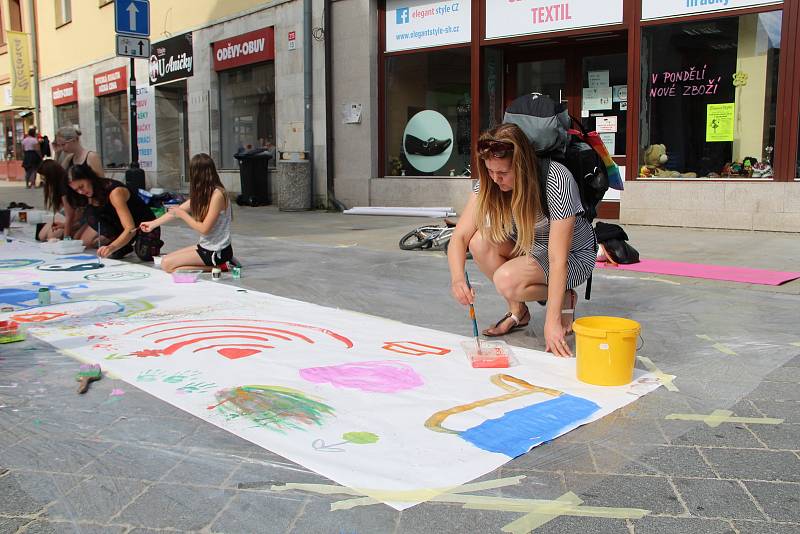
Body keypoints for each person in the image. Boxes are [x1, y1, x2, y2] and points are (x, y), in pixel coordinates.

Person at [448, 123, 596, 358]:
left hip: (574, 256)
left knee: (507, 281)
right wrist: (457, 279)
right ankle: (519, 312)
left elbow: (558, 259)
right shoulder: (490, 183)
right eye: (489, 171)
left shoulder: (556, 180)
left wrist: (552, 321)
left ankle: (565, 295)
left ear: (521, 165)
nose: (495, 179)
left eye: (503, 173)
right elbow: (460, 237)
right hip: (531, 248)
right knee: (479, 241)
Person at [140, 153, 233, 273]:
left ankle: (219, 266)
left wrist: (182, 215)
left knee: (168, 265)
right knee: (165, 260)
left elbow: (204, 229)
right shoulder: (204, 193)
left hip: (216, 251)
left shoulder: (218, 195)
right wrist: (153, 224)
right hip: (205, 246)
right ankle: (217, 265)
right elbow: (175, 211)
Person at [67, 164, 161, 260]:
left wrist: (112, 247)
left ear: (89, 178)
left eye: (81, 186)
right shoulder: (88, 197)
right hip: (121, 226)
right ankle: (124, 245)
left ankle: (145, 243)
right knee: (90, 213)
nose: (81, 192)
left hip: (145, 225)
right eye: (76, 190)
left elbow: (130, 228)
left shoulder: (115, 192)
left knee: (145, 254)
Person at [35, 160, 91, 244]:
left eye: (44, 177)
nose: (43, 180)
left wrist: (66, 238)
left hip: (80, 216)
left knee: (51, 237)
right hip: (70, 215)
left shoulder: (63, 185)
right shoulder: (58, 184)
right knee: (42, 236)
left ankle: (73, 232)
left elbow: (70, 215)